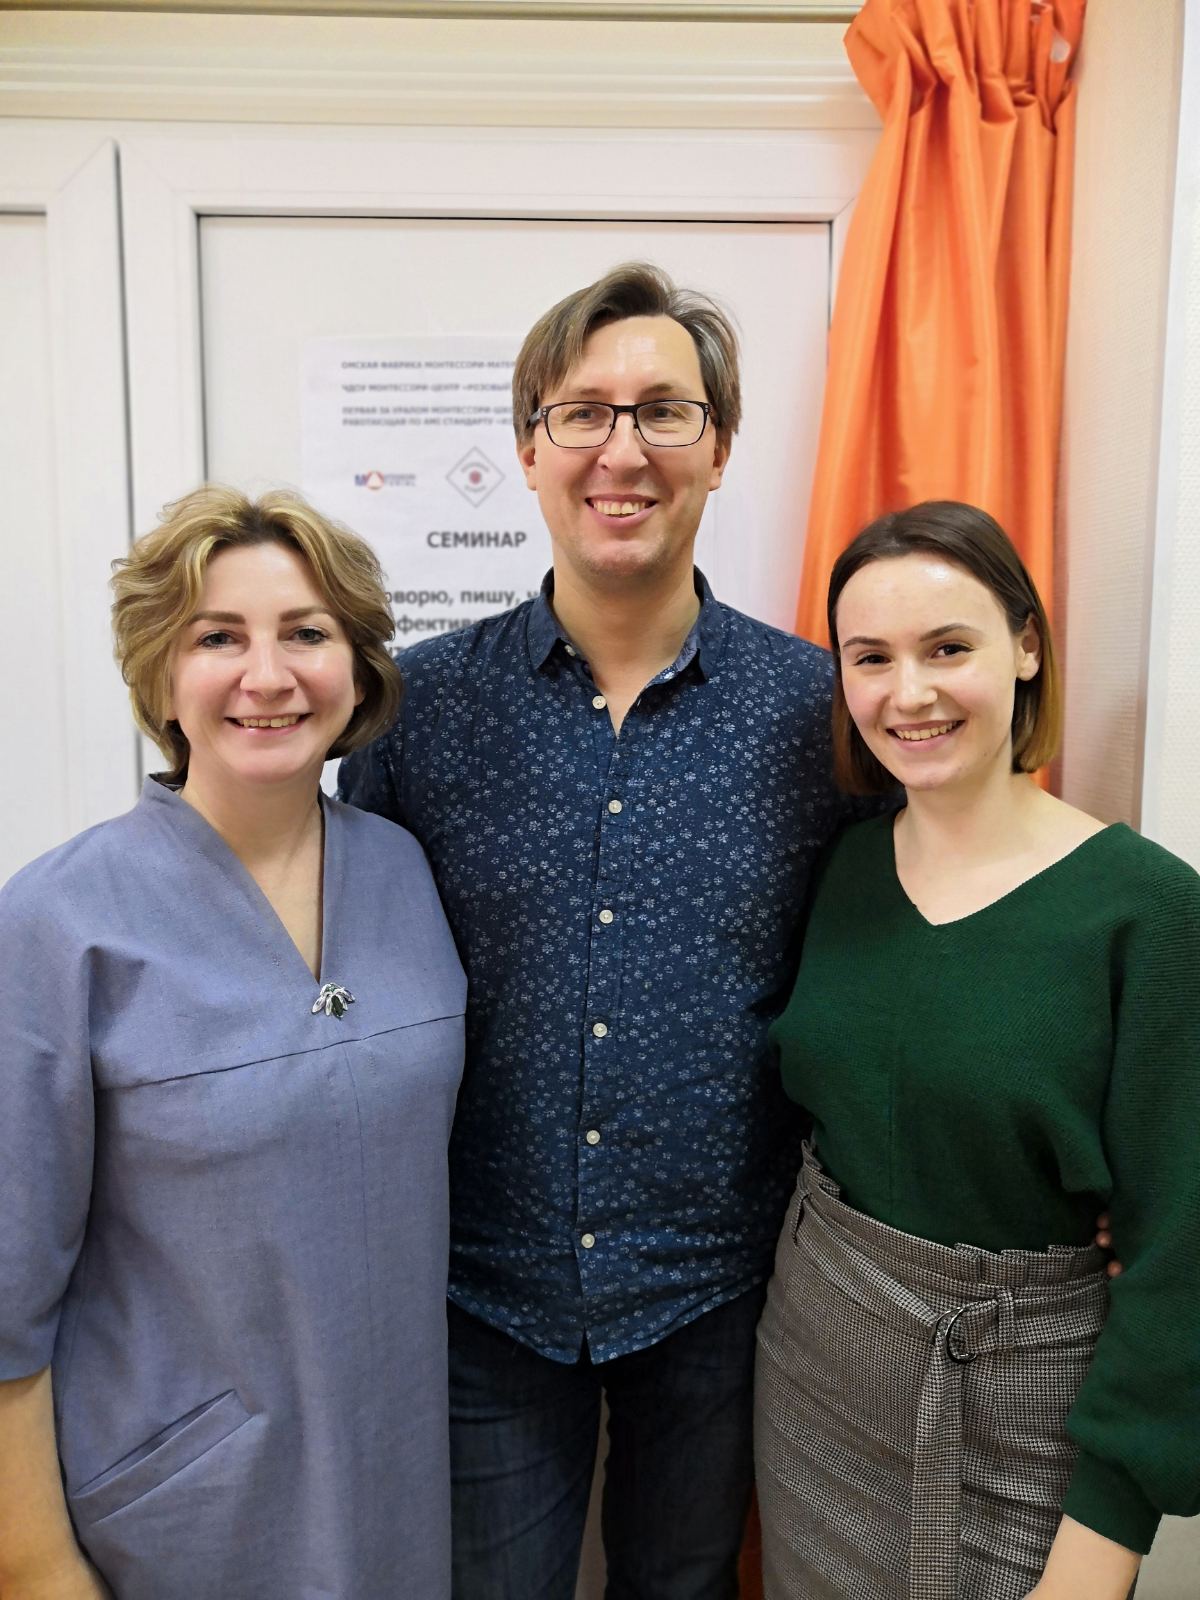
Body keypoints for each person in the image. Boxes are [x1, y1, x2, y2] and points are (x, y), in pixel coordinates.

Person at [338, 261, 855, 1598]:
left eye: (665, 411)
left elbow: (878, 985)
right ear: (529, 448)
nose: (623, 450)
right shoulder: (415, 714)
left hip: (718, 1288)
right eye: (583, 412)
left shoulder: (818, 716)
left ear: (720, 449)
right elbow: (342, 982)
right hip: (482, 1285)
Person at [0, 487, 466, 1600]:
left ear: (357, 669)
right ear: (161, 675)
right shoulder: (59, 920)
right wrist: (35, 1566)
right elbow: (6, 1299)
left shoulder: (402, 870)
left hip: (397, 1481)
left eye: (306, 633)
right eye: (218, 637)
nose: (268, 675)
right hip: (187, 1516)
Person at [754, 501, 1200, 1600]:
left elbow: (1182, 1258)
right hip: (816, 1368)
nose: (908, 693)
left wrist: (1104, 1544)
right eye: (872, 658)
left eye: (948, 648)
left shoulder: (1148, 911)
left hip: (1027, 1407)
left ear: (1027, 646)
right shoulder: (844, 869)